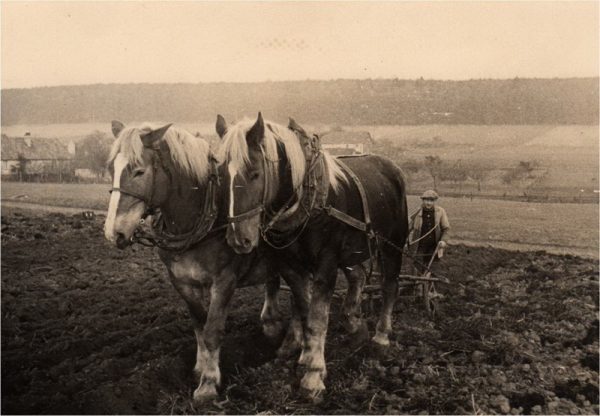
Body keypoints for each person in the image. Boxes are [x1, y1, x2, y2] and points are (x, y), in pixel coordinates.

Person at [408, 190, 450, 274]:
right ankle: (417, 284)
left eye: (431, 200)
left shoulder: (440, 212)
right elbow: (409, 228)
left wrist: (443, 241)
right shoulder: (417, 212)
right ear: (423, 200)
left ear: (435, 201)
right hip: (419, 246)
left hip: (434, 246)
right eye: (426, 200)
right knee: (417, 266)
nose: (429, 203)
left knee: (432, 268)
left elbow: (446, 229)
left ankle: (429, 282)